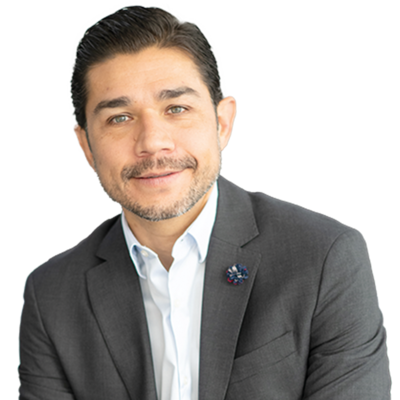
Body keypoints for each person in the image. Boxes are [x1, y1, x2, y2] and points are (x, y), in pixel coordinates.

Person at [17, 3, 391, 400]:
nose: (152, 142)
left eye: (176, 108)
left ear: (223, 123)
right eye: (120, 118)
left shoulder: (324, 257)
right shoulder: (52, 294)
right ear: (85, 146)